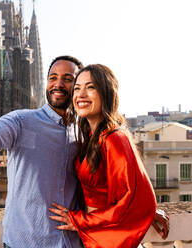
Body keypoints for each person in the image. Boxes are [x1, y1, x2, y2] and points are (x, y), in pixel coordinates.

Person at [0, 33, 168, 247]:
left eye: (69, 80)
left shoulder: (89, 131)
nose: (59, 84)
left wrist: (140, 212)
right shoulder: (23, 121)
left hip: (76, 242)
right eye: (52, 78)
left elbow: (119, 183)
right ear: (44, 83)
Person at [49, 64, 157, 247]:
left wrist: (79, 220)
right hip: (96, 237)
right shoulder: (92, 137)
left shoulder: (114, 138)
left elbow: (131, 200)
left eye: (90, 87)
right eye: (77, 88)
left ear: (106, 93)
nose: (81, 95)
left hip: (108, 240)